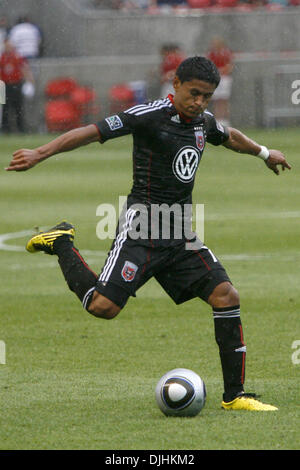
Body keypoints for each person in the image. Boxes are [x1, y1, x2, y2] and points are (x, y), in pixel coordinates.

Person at [6, 56, 291, 411]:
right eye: (194, 93)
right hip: (140, 231)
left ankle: (235, 396)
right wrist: (40, 152)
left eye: (206, 96)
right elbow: (91, 132)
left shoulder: (203, 122)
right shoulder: (148, 114)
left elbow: (229, 136)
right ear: (175, 84)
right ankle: (62, 242)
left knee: (226, 295)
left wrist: (265, 153)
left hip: (180, 235)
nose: (199, 102)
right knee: (102, 307)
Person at [0, 38, 34, 133]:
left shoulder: (17, 56)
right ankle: (5, 129)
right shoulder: (2, 57)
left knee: (18, 107)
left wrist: (30, 82)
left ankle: (21, 128)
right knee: (5, 107)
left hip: (16, 84)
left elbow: (25, 69)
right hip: (4, 85)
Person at [207, 37, 234, 127]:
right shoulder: (211, 54)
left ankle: (225, 120)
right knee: (216, 100)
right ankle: (217, 120)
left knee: (224, 100)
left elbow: (229, 66)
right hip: (215, 78)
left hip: (224, 79)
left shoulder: (226, 53)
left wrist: (221, 71)